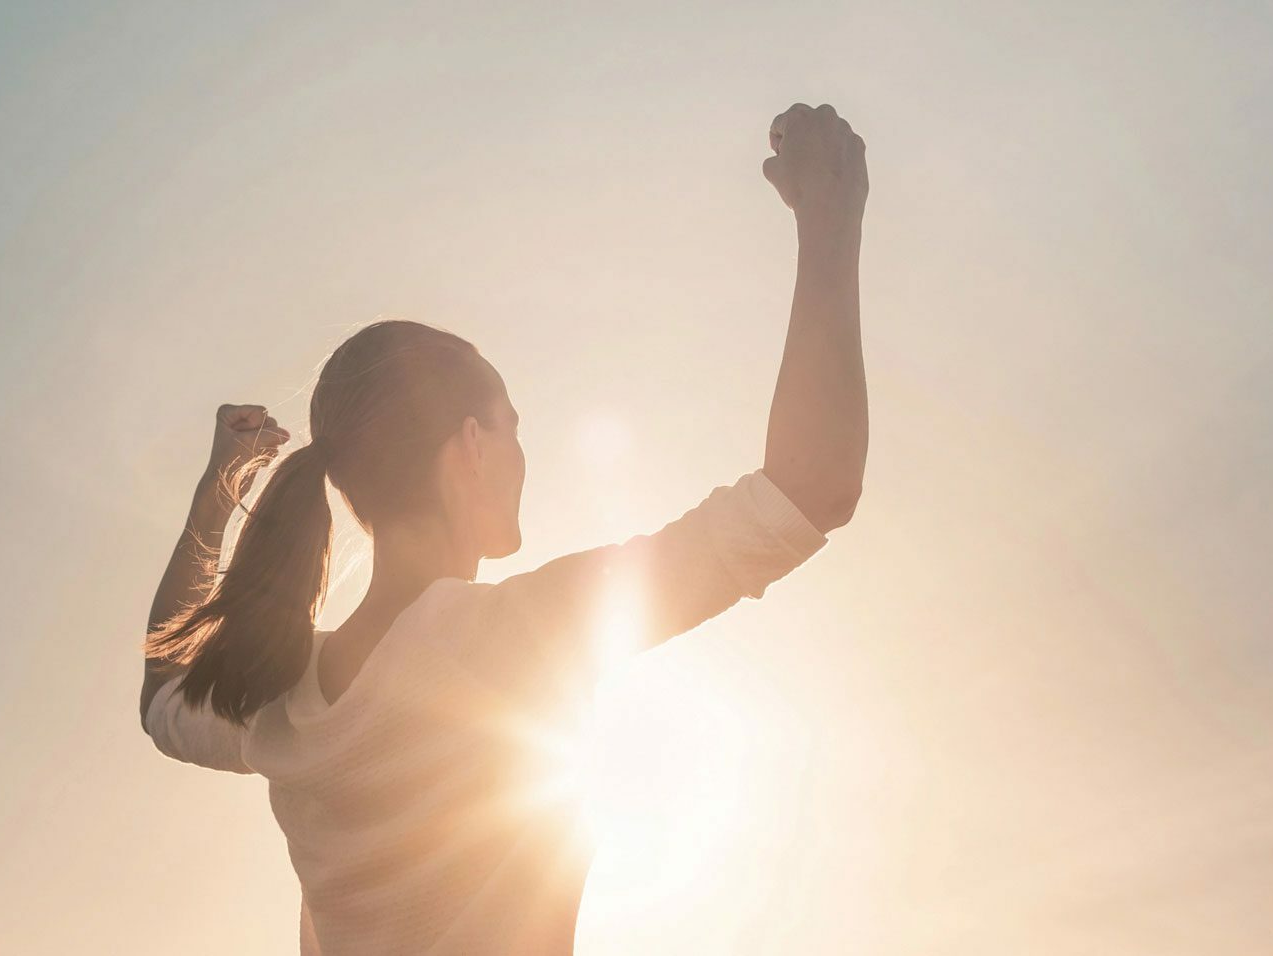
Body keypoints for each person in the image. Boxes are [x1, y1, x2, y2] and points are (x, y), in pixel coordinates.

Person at [138, 103, 868, 954]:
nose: (525, 452)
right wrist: (831, 217)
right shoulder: (512, 638)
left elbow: (160, 690)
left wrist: (218, 491)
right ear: (472, 447)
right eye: (513, 425)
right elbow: (810, 490)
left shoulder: (275, 702)